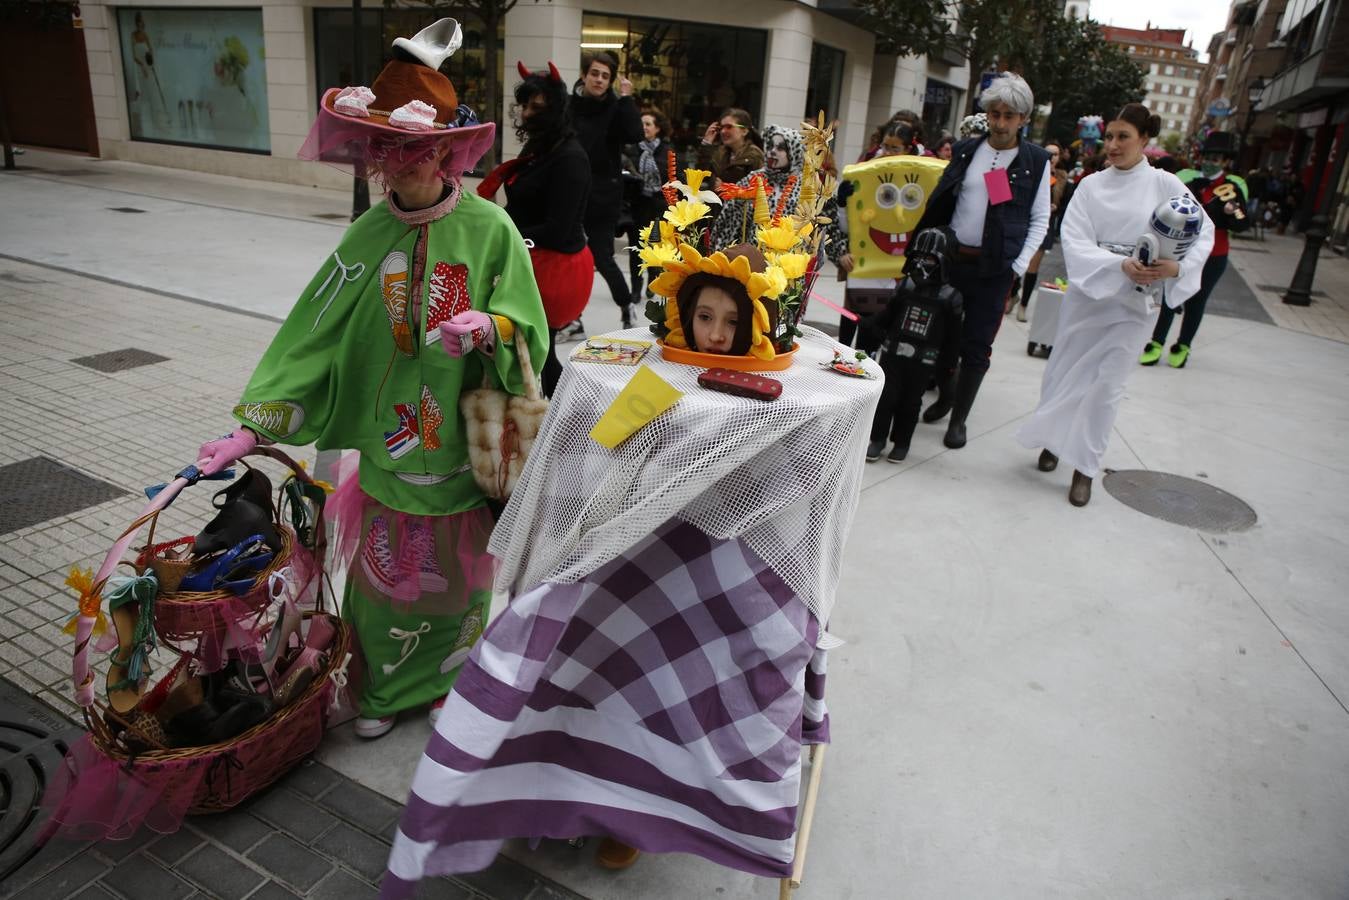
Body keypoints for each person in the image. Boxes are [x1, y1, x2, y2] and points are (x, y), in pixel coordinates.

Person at [196, 19, 549, 739]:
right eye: (386, 151)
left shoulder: (490, 231)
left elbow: (528, 323)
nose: (398, 166)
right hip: (390, 449)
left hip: (458, 447)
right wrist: (248, 429)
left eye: (414, 151)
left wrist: (489, 326)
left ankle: (451, 677)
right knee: (385, 582)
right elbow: (312, 335)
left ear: (448, 152)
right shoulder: (365, 237)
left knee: (460, 582)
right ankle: (383, 692)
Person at [1016, 103, 1214, 506]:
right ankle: (1054, 440)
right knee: (1065, 374)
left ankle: (1085, 466)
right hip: (1089, 298)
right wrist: (1119, 264)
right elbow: (1074, 239)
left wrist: (1174, 267)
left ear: (1144, 139)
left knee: (1107, 387)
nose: (1113, 144)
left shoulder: (1165, 184)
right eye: (1109, 136)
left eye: (1123, 136)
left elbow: (1202, 230)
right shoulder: (1090, 185)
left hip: (1133, 306)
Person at [912, 72, 1052, 449]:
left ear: (1023, 119)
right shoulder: (966, 150)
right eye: (996, 114)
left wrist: (1018, 265)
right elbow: (944, 201)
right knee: (940, 337)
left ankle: (959, 419)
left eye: (1010, 115)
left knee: (976, 345)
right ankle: (945, 396)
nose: (1002, 122)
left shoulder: (1035, 161)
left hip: (994, 269)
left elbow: (1040, 219)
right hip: (952, 261)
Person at [478, 61, 594, 397]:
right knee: (527, 347)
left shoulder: (570, 158)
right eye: (525, 106)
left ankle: (555, 418)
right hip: (533, 257)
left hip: (555, 268)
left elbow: (557, 230)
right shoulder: (541, 149)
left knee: (538, 349)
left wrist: (506, 232)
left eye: (537, 107)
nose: (527, 114)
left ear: (555, 110)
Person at [1140, 131, 1249, 369]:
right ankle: (1156, 343)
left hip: (1214, 255)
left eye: (1217, 158)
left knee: (1197, 301)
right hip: (1180, 250)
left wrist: (1231, 214)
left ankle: (1183, 346)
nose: (1211, 162)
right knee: (1169, 295)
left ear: (1225, 161)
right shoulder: (1186, 178)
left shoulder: (1233, 186)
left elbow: (1243, 224)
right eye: (1208, 156)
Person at [860, 228, 963, 462]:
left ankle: (902, 443)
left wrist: (948, 365)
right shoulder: (905, 287)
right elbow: (888, 316)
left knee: (910, 404)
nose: (922, 264)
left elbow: (953, 337)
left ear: (942, 261)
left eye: (929, 258)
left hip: (923, 362)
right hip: (893, 355)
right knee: (886, 399)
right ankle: (877, 439)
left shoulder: (950, 298)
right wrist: (871, 325)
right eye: (918, 257)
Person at [572, 51, 643, 328]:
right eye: (594, 74)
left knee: (601, 256)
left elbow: (635, 134)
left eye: (605, 76)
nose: (599, 80)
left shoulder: (616, 106)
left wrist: (626, 99)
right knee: (569, 256)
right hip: (572, 189)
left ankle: (626, 306)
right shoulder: (571, 105)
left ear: (611, 80)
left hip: (603, 194)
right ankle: (572, 318)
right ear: (584, 75)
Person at [709, 124, 804, 250]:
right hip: (753, 259)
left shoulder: (805, 185)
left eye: (781, 148)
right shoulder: (754, 178)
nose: (772, 151)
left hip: (790, 261)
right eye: (770, 146)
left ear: (794, 153)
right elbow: (727, 219)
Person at [1011, 138, 1069, 322]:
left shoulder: (1062, 179)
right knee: (1018, 262)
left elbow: (1066, 206)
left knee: (1032, 267)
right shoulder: (1032, 171)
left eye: (1056, 154)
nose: (1052, 157)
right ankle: (1013, 294)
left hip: (1044, 226)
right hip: (1023, 224)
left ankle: (1023, 305)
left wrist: (1055, 208)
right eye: (1049, 153)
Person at [625, 106, 674, 300]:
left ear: (657, 128)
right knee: (636, 250)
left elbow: (674, 178)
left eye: (648, 124)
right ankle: (635, 289)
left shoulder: (667, 151)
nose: (644, 127)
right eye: (641, 124)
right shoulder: (631, 149)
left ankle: (652, 283)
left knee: (655, 249)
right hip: (637, 207)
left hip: (658, 209)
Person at [696, 107, 765, 189]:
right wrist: (706, 143)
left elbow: (760, 191)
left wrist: (728, 189)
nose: (723, 131)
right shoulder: (718, 153)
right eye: (721, 127)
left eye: (729, 127)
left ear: (744, 131)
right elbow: (700, 177)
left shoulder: (755, 156)